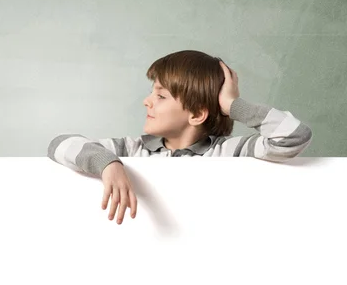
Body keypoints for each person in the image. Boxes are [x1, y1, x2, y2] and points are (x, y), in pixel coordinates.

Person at [47, 50, 313, 225]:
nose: (147, 102)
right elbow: (59, 144)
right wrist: (108, 163)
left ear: (197, 114)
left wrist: (232, 105)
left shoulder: (231, 152)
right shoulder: (132, 149)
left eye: (160, 96)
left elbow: (293, 136)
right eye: (153, 93)